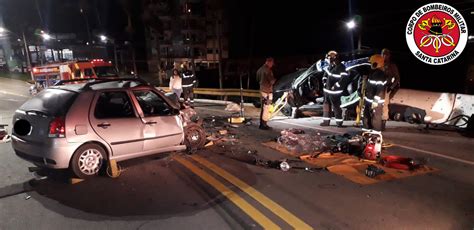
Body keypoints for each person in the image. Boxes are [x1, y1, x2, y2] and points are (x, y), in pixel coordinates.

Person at [320, 51, 348, 127]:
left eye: (329, 58)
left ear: (334, 58)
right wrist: (325, 82)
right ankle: (326, 121)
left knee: (336, 107)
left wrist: (335, 86)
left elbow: (343, 79)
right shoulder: (331, 66)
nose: (328, 59)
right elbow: (325, 75)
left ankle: (339, 122)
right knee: (326, 106)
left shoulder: (341, 67)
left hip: (335, 92)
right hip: (327, 91)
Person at [363, 54, 388, 131]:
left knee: (376, 117)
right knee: (367, 116)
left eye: (371, 63)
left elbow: (380, 89)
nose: (370, 65)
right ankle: (367, 131)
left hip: (376, 101)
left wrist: (376, 101)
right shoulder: (373, 73)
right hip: (369, 100)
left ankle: (376, 133)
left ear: (376, 64)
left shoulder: (380, 75)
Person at [381, 48, 400, 126]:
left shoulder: (392, 66)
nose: (384, 56)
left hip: (386, 87)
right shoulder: (379, 63)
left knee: (384, 104)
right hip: (377, 87)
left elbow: (397, 78)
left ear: (389, 56)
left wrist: (391, 87)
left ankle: (383, 121)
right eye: (383, 54)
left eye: (386, 54)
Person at [256, 57, 276, 130]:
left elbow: (257, 79)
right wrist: (274, 80)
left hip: (262, 90)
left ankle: (262, 124)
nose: (272, 65)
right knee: (266, 109)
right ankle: (263, 125)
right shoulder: (268, 70)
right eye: (272, 63)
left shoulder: (259, 70)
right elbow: (272, 81)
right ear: (269, 62)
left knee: (263, 108)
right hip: (267, 91)